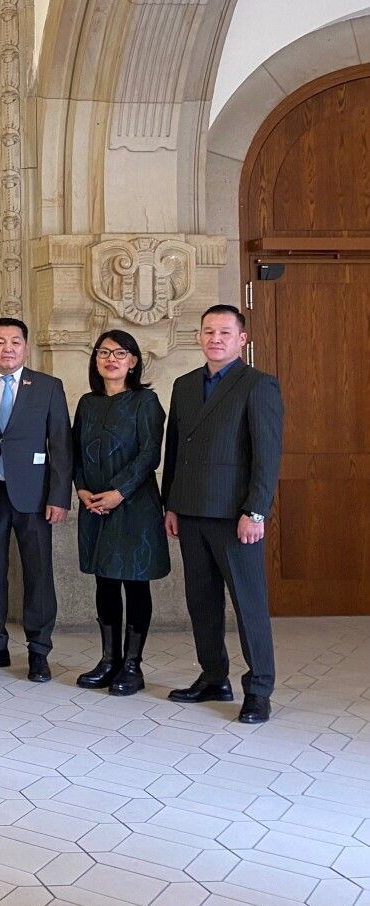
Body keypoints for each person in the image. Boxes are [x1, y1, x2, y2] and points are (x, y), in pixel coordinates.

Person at [162, 305, 283, 724]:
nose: (215, 338)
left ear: (241, 339)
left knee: (248, 604)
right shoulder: (183, 385)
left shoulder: (258, 385)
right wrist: (171, 504)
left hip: (236, 517)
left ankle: (260, 689)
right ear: (198, 337)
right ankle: (214, 676)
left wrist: (256, 512)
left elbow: (267, 457)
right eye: (208, 331)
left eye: (225, 332)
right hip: (191, 511)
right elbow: (174, 451)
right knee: (202, 602)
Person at [0, 317, 72, 683]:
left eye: (14, 342)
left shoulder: (47, 387)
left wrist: (59, 496)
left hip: (35, 497)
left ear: (26, 347)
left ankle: (39, 651)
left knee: (38, 573)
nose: (7, 348)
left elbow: (61, 445)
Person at [71, 329, 168, 696]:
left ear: (134, 361)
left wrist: (118, 492)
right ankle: (108, 660)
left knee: (134, 581)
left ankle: (132, 665)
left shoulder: (146, 401)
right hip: (93, 504)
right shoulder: (87, 402)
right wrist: (81, 488)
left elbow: (149, 455)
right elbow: (75, 450)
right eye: (104, 352)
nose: (111, 359)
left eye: (121, 353)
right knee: (105, 580)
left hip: (134, 506)